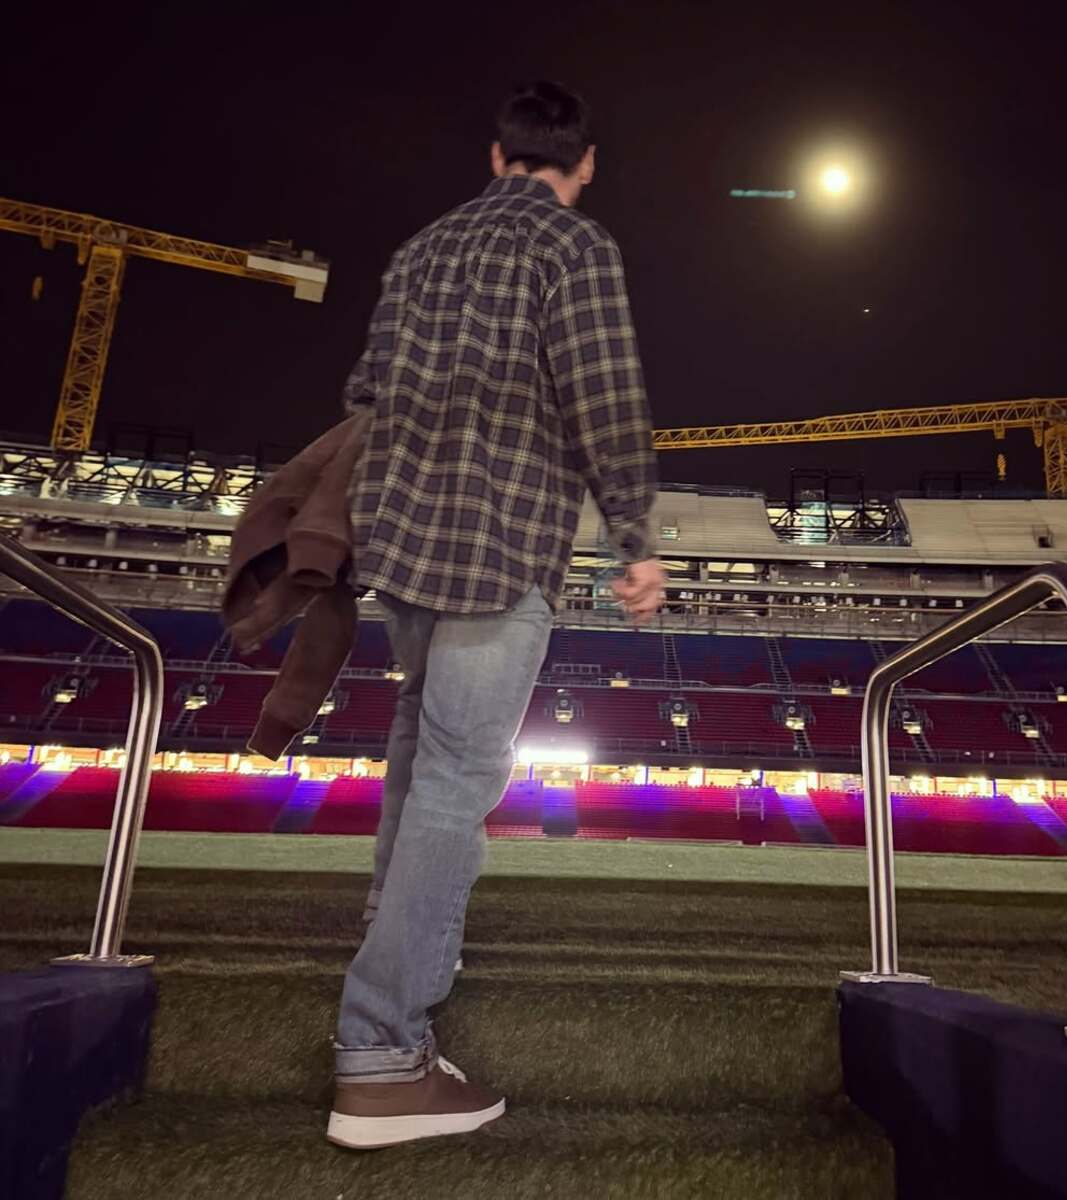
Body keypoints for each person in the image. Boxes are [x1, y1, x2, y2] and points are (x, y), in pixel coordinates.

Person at [327, 80, 666, 1150]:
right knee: (457, 777)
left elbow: (365, 390)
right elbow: (604, 397)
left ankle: (392, 942)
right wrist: (634, 536)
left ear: (495, 155)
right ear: (585, 163)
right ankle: (382, 1051)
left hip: (402, 541)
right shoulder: (575, 246)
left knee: (416, 747)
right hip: (499, 540)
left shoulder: (420, 249)